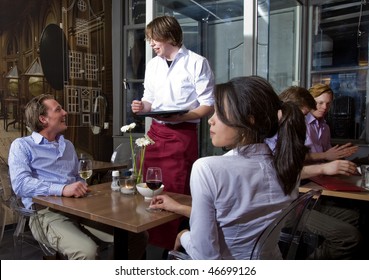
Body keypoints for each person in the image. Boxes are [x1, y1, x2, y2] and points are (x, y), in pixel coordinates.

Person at [150, 76, 308, 259]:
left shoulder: (207, 168)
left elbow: (205, 257)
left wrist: (183, 235)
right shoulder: (289, 167)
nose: (211, 120)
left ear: (249, 121)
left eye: (220, 113)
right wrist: (178, 207)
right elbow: (240, 220)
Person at [8, 94, 147, 260]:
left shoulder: (67, 145)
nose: (65, 112)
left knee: (138, 235)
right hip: (45, 214)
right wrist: (63, 189)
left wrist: (79, 185)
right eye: (58, 109)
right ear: (43, 119)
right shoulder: (22, 145)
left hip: (79, 209)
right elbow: (21, 185)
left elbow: (76, 177)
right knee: (86, 251)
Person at [131, 15, 214, 250]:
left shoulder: (197, 63)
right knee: (146, 187)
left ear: (168, 35)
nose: (150, 44)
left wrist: (182, 116)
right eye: (148, 40)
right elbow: (150, 101)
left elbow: (208, 106)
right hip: (155, 134)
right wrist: (141, 107)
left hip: (182, 135)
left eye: (153, 38)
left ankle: (172, 247)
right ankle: (146, 241)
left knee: (176, 191)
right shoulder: (153, 65)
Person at [265, 86, 358, 179]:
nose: (302, 120)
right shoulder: (271, 131)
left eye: (328, 103)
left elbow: (292, 161)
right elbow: (282, 171)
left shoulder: (322, 126)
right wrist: (323, 167)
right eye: (320, 103)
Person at [305, 83, 358, 163]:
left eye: (328, 104)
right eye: (320, 103)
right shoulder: (299, 123)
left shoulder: (325, 127)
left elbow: (328, 156)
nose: (325, 107)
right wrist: (325, 155)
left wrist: (340, 155)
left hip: (322, 172)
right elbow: (293, 157)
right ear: (309, 102)